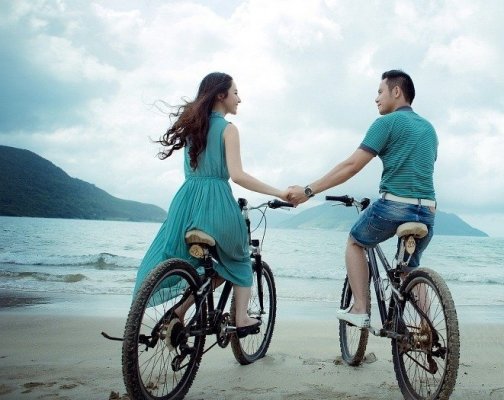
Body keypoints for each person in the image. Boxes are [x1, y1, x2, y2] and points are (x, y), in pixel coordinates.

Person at [134, 72, 288, 337]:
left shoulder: (194, 127)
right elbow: (238, 175)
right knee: (239, 257)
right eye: (236, 92)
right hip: (216, 203)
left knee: (207, 267)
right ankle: (240, 317)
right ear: (221, 95)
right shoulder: (229, 129)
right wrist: (280, 192)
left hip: (186, 204)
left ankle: (179, 312)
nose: (240, 98)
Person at [287, 70, 438, 328]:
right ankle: (428, 328)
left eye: (380, 91)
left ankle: (359, 309)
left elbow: (351, 166)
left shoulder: (386, 123)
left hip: (394, 206)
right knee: (410, 269)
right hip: (428, 211)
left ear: (397, 92)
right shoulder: (429, 129)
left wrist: (308, 190)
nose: (376, 98)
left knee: (355, 242)